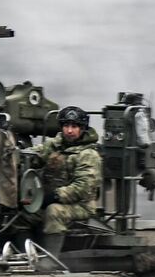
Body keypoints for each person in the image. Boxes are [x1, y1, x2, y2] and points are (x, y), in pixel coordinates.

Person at [26, 105, 103, 255]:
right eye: (66, 126)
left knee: (54, 212)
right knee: (24, 213)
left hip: (81, 206)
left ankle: (50, 260)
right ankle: (26, 254)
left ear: (82, 129)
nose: (69, 130)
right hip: (49, 199)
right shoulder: (54, 145)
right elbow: (35, 156)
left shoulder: (88, 154)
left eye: (74, 126)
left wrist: (53, 196)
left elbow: (82, 188)